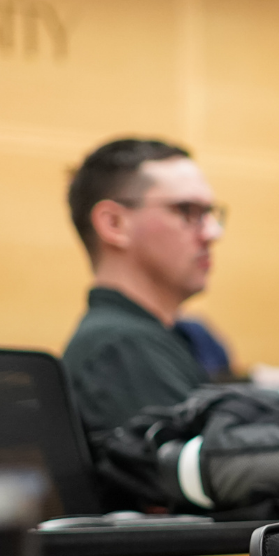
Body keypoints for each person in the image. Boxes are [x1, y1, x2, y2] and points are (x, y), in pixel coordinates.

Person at [62, 138, 225, 433]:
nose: (212, 232)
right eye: (187, 210)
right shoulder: (121, 349)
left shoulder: (151, 338)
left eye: (211, 214)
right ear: (114, 224)